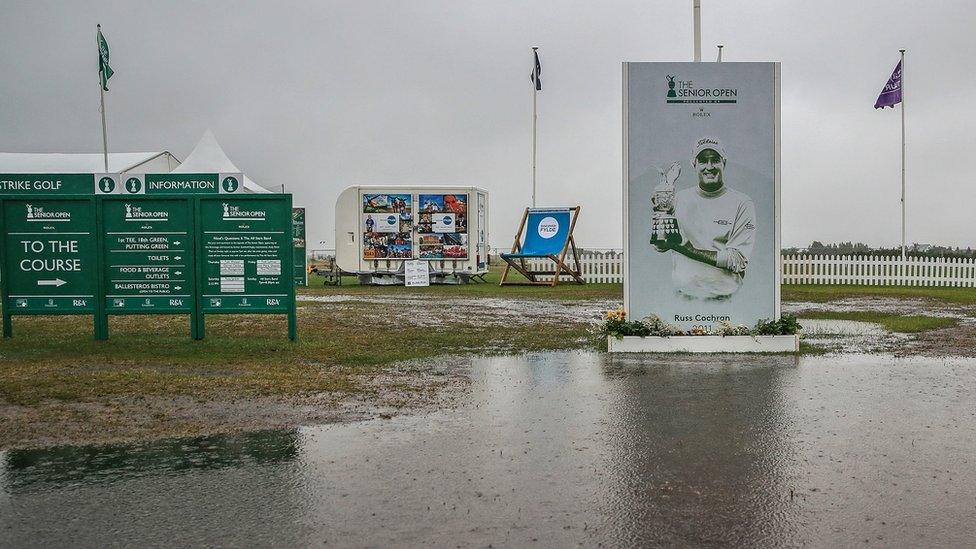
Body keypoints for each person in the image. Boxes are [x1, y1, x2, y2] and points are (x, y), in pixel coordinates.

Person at [654, 136, 756, 299]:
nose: (709, 167)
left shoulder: (742, 203)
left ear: (724, 163)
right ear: (694, 164)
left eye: (715, 160)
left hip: (726, 299)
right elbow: (660, 246)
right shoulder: (678, 198)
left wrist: (687, 249)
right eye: (703, 161)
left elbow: (737, 260)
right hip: (682, 297)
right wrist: (661, 209)